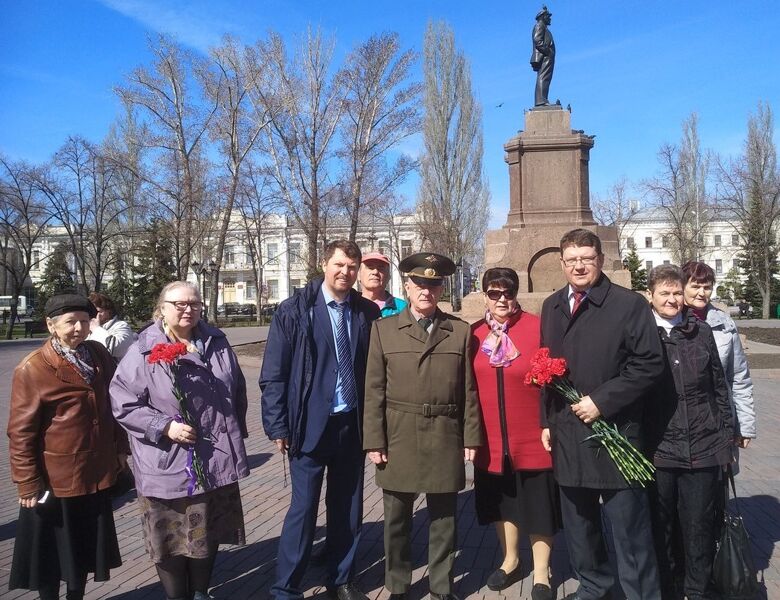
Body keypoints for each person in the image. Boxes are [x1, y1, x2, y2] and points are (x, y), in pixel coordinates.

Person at [539, 228, 665, 600]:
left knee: (630, 534)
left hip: (615, 434)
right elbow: (545, 369)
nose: (579, 266)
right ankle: (594, 588)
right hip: (567, 435)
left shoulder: (629, 305)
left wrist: (602, 401)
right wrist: (545, 421)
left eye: (586, 259)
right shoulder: (552, 306)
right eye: (572, 260)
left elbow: (649, 363)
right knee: (580, 530)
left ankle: (640, 594)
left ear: (601, 261)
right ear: (562, 264)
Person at [110, 281, 249, 600]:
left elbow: (236, 387)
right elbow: (122, 400)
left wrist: (234, 435)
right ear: (162, 308)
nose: (188, 309)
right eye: (179, 304)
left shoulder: (215, 340)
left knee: (205, 532)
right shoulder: (144, 348)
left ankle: (201, 592)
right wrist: (164, 426)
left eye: (194, 304)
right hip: (170, 461)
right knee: (171, 539)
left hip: (213, 457)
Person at [260, 240, 381, 600]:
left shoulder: (365, 313)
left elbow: (374, 371)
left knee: (347, 507)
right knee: (304, 509)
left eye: (352, 266)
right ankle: (286, 587)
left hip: (351, 424)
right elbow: (273, 374)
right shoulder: (294, 310)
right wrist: (277, 424)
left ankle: (341, 579)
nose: (346, 272)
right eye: (339, 265)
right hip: (309, 425)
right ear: (324, 264)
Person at [363, 252, 483, 600]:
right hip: (399, 434)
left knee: (444, 520)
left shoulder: (459, 332)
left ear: (441, 288)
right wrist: (374, 440)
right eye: (419, 284)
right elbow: (373, 390)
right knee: (396, 520)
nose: (426, 290)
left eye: (433, 284)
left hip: (445, 433)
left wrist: (471, 436)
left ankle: (441, 586)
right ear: (407, 286)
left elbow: (469, 390)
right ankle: (398, 585)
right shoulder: (383, 330)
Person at [7, 293, 128, 600]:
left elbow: (116, 406)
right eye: (71, 322)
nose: (79, 328)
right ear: (51, 325)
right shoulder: (33, 368)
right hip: (55, 479)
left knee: (84, 549)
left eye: (85, 321)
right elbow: (20, 433)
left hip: (94, 473)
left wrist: (120, 451)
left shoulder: (97, 354)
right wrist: (27, 483)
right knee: (50, 555)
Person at [644, 264, 734, 600]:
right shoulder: (643, 335)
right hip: (660, 450)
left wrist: (726, 436)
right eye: (664, 293)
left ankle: (697, 591)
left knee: (698, 528)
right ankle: (668, 588)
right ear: (650, 296)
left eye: (676, 292)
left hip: (704, 446)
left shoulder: (702, 331)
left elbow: (719, 388)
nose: (672, 299)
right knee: (662, 528)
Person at [470, 267, 559, 600]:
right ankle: (510, 561)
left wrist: (548, 422)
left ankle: (541, 573)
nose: (502, 299)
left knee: (539, 507)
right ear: (485, 296)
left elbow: (553, 385)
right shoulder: (475, 334)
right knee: (502, 505)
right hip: (491, 440)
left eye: (508, 292)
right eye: (494, 293)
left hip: (533, 438)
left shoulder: (537, 329)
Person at [681, 261, 755, 452]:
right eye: (695, 286)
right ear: (682, 286)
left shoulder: (724, 323)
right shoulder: (669, 321)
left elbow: (739, 377)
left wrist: (745, 426)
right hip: (678, 419)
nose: (702, 293)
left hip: (717, 417)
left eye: (707, 287)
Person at [87, 291, 135, 360]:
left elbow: (117, 348)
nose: (93, 315)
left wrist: (96, 329)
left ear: (109, 311)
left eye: (97, 311)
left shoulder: (121, 326)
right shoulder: (86, 329)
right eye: (90, 311)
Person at [359, 250, 408, 317]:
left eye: (380, 268)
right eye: (370, 267)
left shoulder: (402, 308)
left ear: (388, 277)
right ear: (358, 275)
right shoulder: (349, 306)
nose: (375, 272)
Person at [530, 5, 555, 107]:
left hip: (547, 57)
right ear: (543, 17)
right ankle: (541, 100)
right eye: (548, 16)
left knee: (546, 78)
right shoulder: (539, 25)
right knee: (543, 77)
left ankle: (543, 99)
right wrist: (548, 51)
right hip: (544, 57)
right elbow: (537, 40)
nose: (550, 18)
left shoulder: (544, 27)